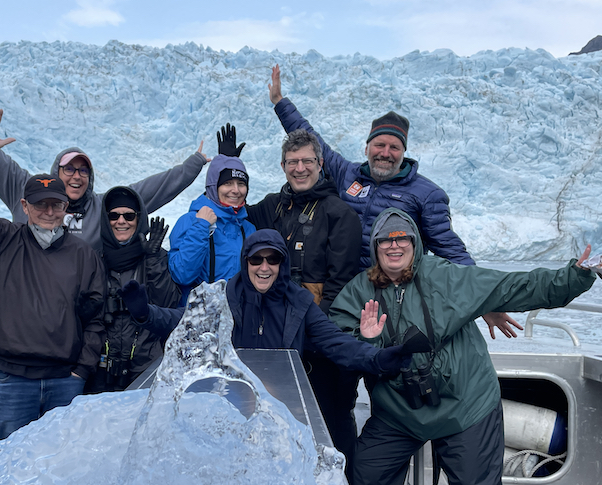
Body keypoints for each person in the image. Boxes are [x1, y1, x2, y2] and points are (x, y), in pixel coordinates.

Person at [330, 208, 599, 485]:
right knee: (363, 484)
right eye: (385, 240)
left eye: (402, 238)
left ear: (415, 243)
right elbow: (337, 344)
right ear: (375, 248)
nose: (394, 246)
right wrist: (366, 339)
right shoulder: (359, 291)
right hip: (398, 411)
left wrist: (574, 277)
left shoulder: (446, 277)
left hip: (465, 405)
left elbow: (515, 287)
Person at [268, 65, 522, 340]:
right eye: (379, 145)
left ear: (404, 151)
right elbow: (311, 141)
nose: (385, 153)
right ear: (367, 148)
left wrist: (486, 301)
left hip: (395, 301)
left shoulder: (426, 194)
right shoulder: (347, 174)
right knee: (340, 370)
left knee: (387, 373)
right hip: (346, 296)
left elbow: (452, 251)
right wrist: (280, 103)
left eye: (394, 147)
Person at [0, 107, 105, 440]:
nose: (48, 211)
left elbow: (95, 318)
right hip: (12, 380)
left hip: (64, 381)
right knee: (10, 466)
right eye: (40, 204)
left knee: (60, 464)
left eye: (56, 204)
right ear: (24, 206)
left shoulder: (82, 255)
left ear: (65, 208)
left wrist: (81, 371)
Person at [123, 229, 424, 383]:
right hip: (229, 393)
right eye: (256, 259)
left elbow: (339, 344)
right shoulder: (225, 295)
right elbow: (182, 320)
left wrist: (381, 358)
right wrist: (144, 313)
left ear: (283, 263)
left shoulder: (300, 302)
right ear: (246, 262)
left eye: (273, 259)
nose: (264, 267)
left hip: (281, 400)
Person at [0, 84, 210, 252]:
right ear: (57, 171)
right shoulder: (26, 191)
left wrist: (194, 164)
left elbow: (153, 189)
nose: (76, 176)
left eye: (83, 171)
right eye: (69, 169)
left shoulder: (104, 208)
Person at [243, 123, 363, 461]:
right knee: (284, 426)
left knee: (332, 425)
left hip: (320, 346)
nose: (300, 168)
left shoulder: (340, 215)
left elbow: (340, 289)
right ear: (282, 166)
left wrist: (308, 336)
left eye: (307, 161)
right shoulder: (273, 207)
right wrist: (224, 165)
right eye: (292, 162)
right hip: (282, 344)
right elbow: (230, 210)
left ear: (320, 164)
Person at [89, 185, 180, 391]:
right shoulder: (94, 259)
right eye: (114, 215)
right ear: (106, 219)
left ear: (139, 219)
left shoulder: (155, 256)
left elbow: (168, 304)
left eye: (129, 216)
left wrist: (153, 259)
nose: (121, 221)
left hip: (145, 369)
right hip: (100, 371)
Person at [168, 140, 256, 303]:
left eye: (241, 184)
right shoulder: (190, 222)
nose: (235, 190)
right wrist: (201, 227)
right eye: (227, 183)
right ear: (213, 186)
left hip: (239, 316)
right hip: (198, 319)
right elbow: (182, 275)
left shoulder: (247, 228)